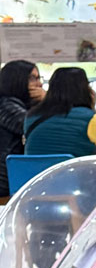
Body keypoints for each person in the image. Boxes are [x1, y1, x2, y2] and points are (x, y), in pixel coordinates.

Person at [23, 67, 96, 157]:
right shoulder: (90, 119)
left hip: (34, 169)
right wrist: (92, 108)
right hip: (74, 169)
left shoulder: (31, 116)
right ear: (85, 89)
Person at [0, 60, 46, 195]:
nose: (39, 84)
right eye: (33, 78)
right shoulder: (5, 105)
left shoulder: (21, 104)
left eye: (39, 78)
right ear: (17, 80)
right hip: (4, 182)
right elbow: (37, 128)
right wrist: (48, 101)